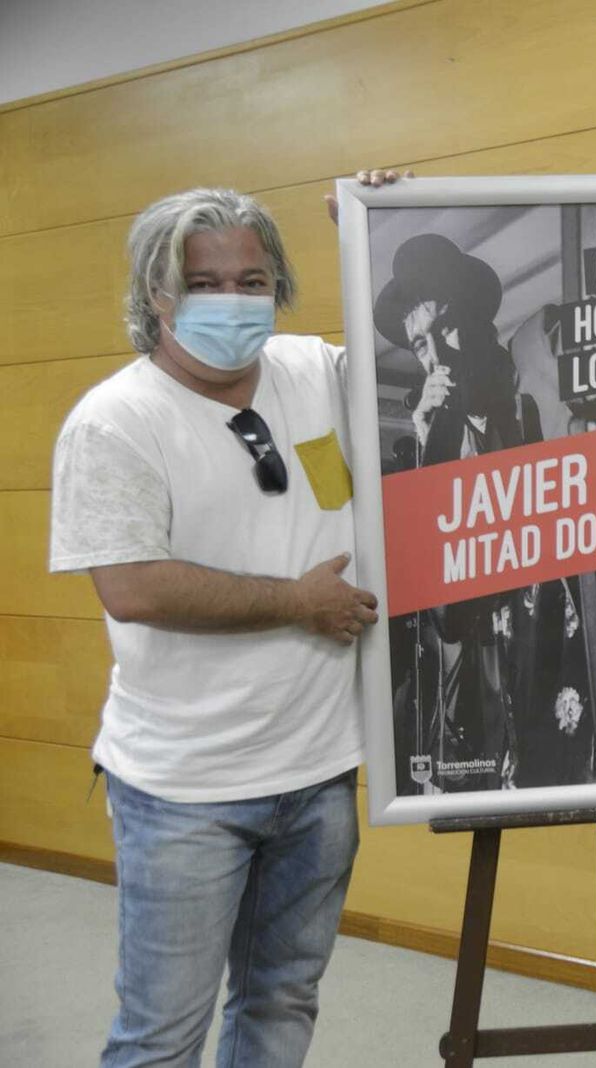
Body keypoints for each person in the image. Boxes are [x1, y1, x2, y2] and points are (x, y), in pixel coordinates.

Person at [49, 187, 378, 1066]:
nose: (231, 300)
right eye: (201, 282)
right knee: (162, 1035)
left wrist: (387, 232)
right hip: (184, 790)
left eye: (252, 278)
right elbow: (133, 587)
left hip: (318, 773)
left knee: (280, 1002)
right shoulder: (118, 422)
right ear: (154, 295)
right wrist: (297, 600)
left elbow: (424, 353)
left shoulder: (314, 371)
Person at [372, 231, 595, 792]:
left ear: (477, 323)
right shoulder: (433, 445)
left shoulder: (534, 381)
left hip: (566, 650)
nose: (437, 355)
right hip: (494, 684)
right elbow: (446, 613)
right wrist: (431, 455)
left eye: (444, 327)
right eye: (420, 345)